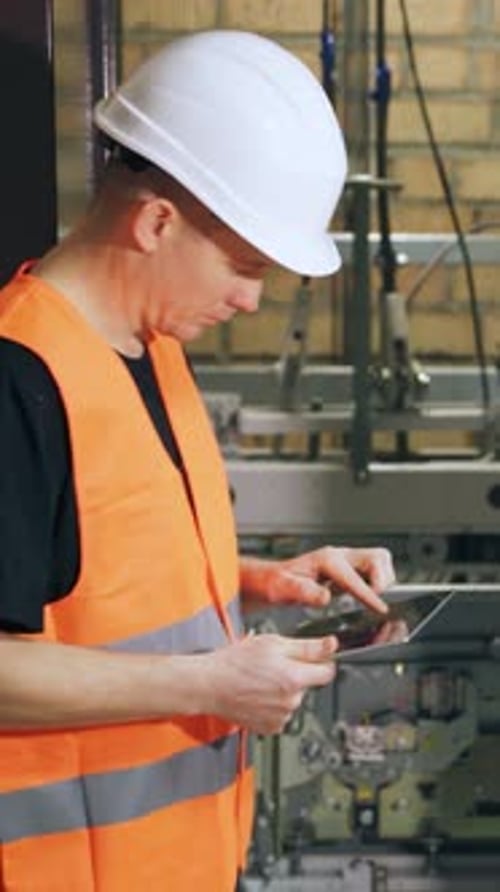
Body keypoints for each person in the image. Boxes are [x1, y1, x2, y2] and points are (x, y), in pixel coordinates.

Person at [0, 29, 395, 892]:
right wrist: (214, 681)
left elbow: (86, 566)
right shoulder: (17, 376)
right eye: (245, 266)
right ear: (155, 221)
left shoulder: (151, 348)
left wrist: (261, 577)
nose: (251, 299)